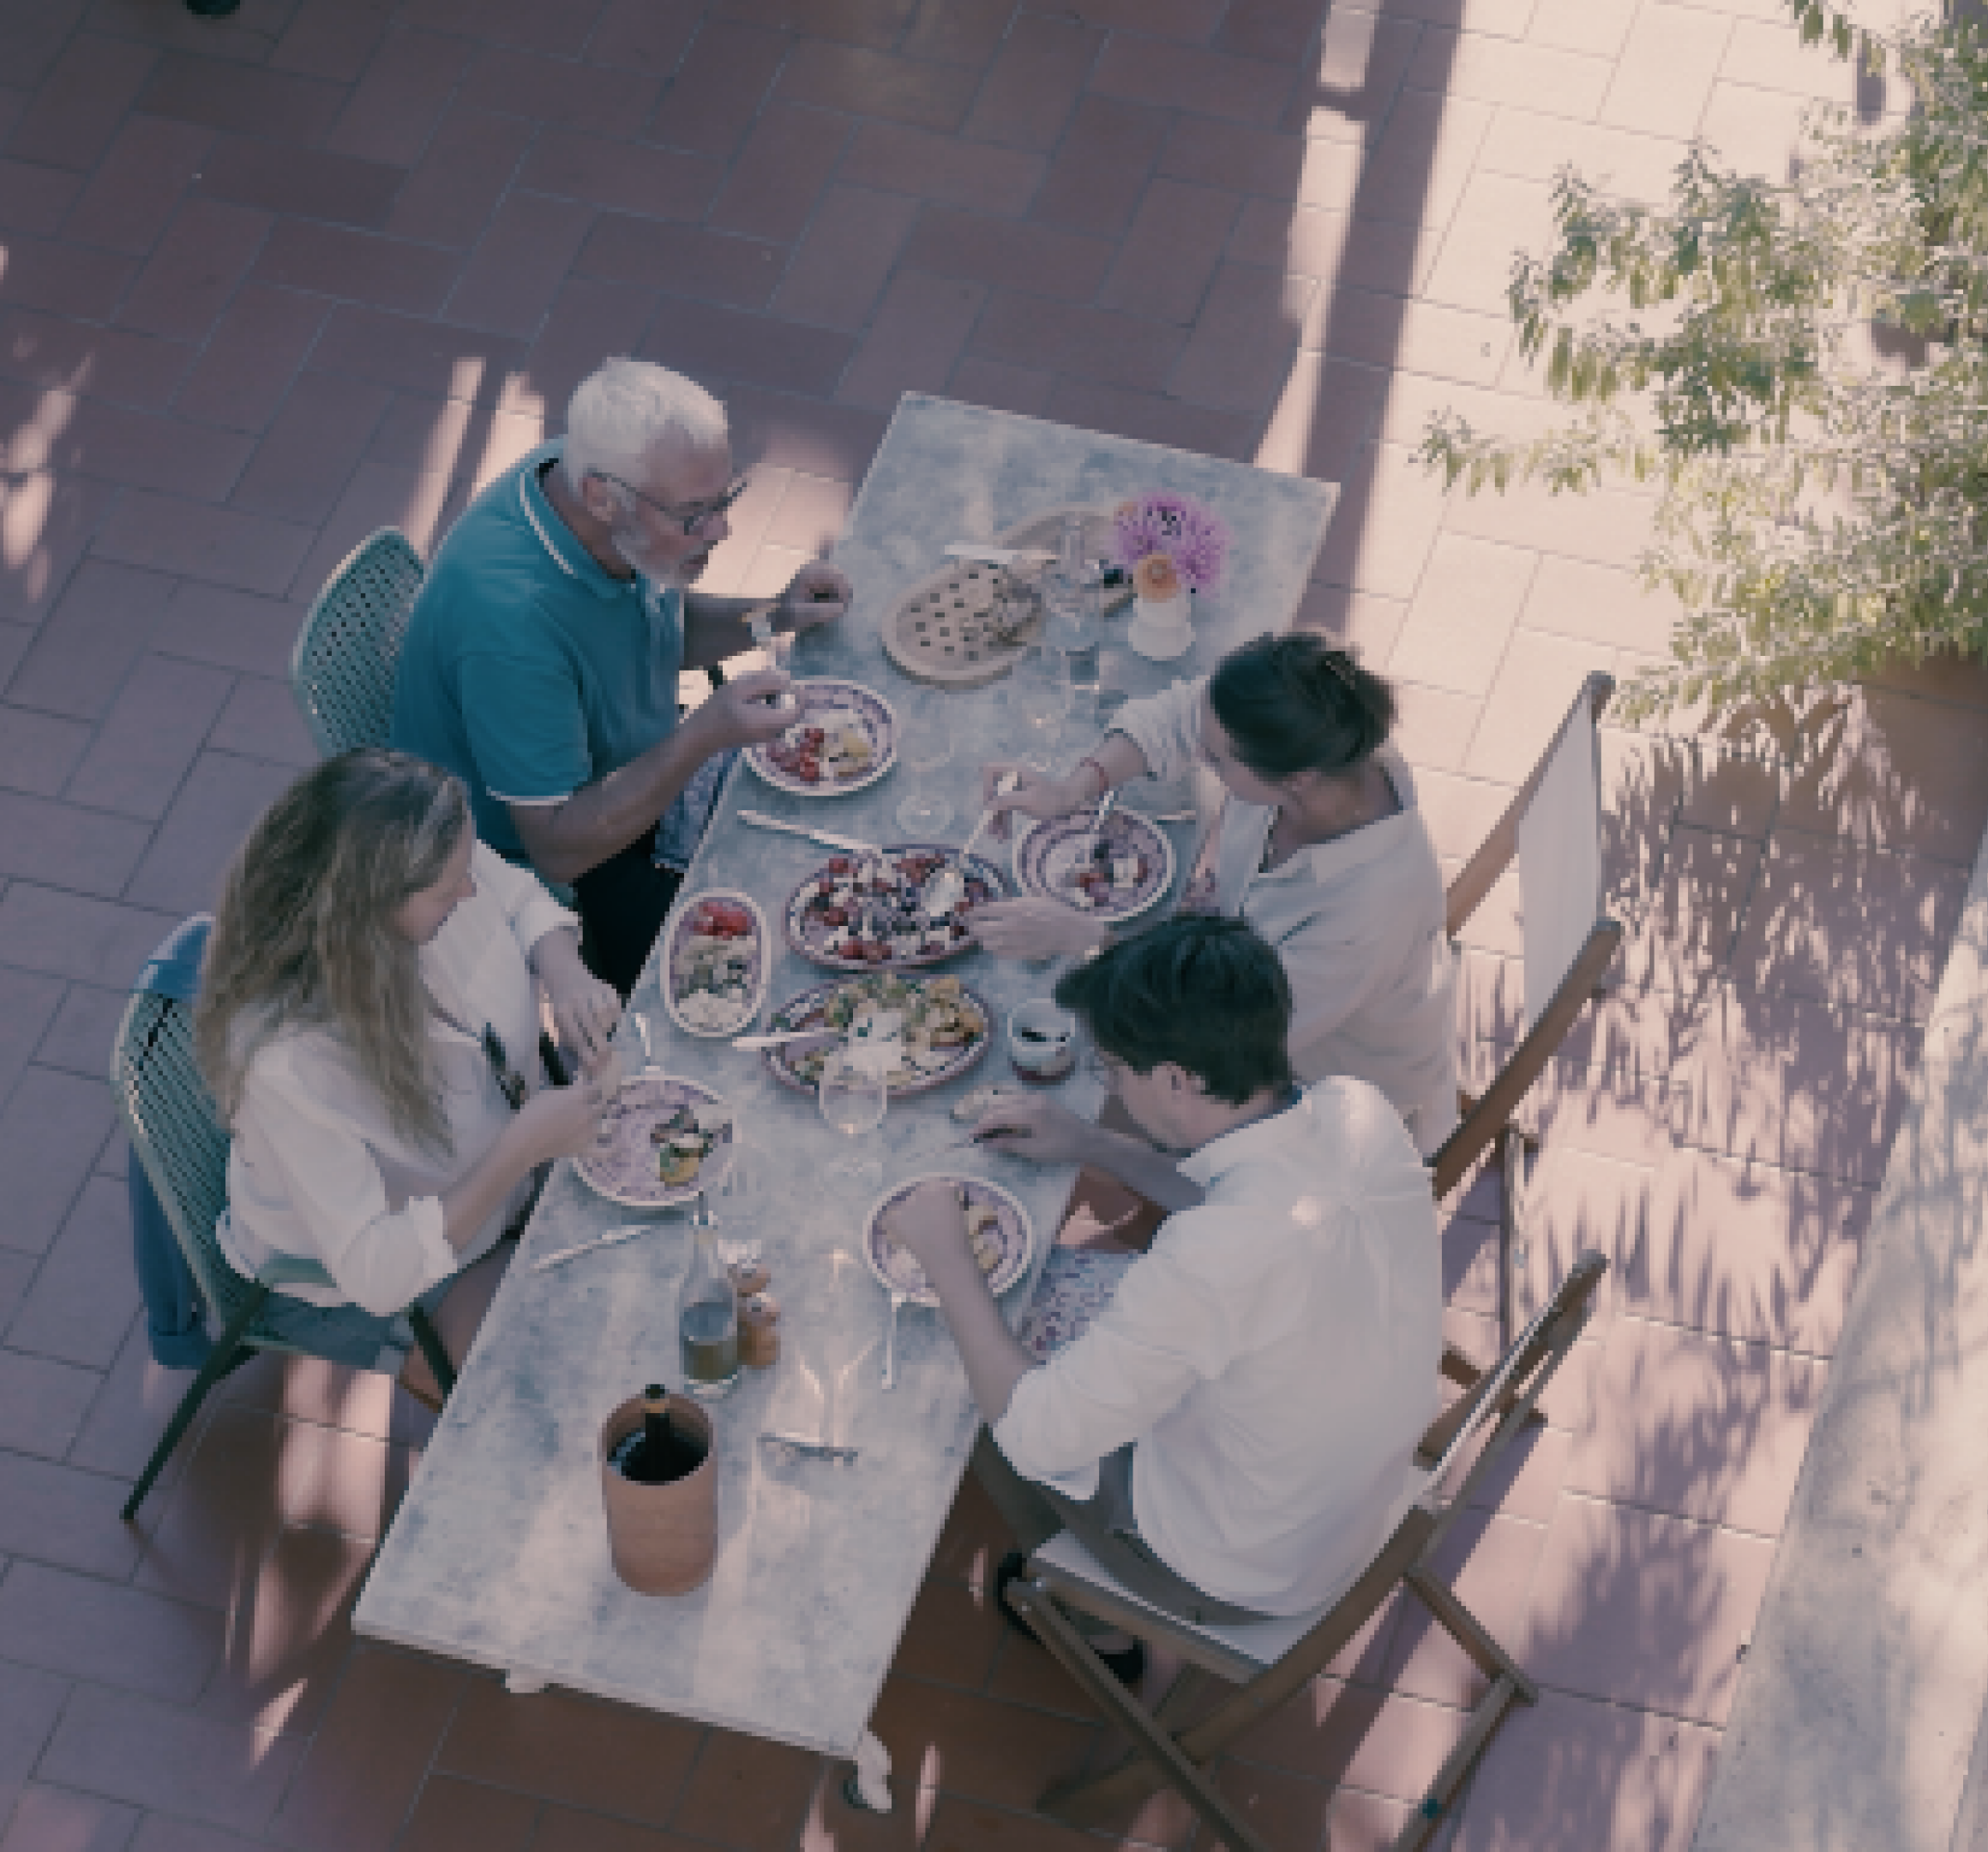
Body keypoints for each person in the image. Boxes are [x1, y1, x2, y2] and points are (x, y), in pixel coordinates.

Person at [885, 917, 1444, 1702]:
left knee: (955, 1364)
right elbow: (1252, 1202)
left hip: (1242, 1568)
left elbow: (1038, 1428)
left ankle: (1103, 1627)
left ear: (1178, 1079)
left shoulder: (1213, 1260)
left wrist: (946, 1258)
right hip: (1350, 1490)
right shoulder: (1357, 1109)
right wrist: (1092, 1143)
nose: (1111, 1086)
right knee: (1061, 1296)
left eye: (1114, 1070)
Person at [389, 358, 852, 989]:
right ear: (603, 498)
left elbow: (652, 631)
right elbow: (555, 844)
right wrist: (699, 739)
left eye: (725, 499)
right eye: (694, 516)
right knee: (776, 965)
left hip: (633, 770)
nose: (722, 530)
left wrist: (773, 615)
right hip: (561, 856)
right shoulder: (511, 627)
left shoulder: (586, 481)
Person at [194, 750, 624, 1408]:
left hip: (518, 1174)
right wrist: (520, 1151)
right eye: (449, 889)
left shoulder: (435, 866)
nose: (470, 890)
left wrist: (564, 971)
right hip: (386, 1277)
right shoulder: (288, 1063)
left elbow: (516, 895)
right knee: (571, 1386)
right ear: (366, 918)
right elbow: (376, 1271)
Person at [970, 633, 1458, 1199]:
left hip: (1323, 1092)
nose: (1199, 756)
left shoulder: (1370, 909)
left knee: (1087, 1081)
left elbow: (1227, 1031)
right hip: (1244, 989)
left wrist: (1093, 942)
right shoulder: (1312, 743)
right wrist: (1072, 790)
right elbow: (1183, 716)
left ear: (1294, 781)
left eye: (1216, 761)